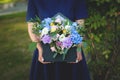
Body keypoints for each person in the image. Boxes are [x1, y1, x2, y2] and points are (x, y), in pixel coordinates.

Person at [26, 0, 91, 80]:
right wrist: (39, 46)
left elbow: (80, 22)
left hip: (70, 48)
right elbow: (32, 23)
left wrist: (78, 47)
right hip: (46, 49)